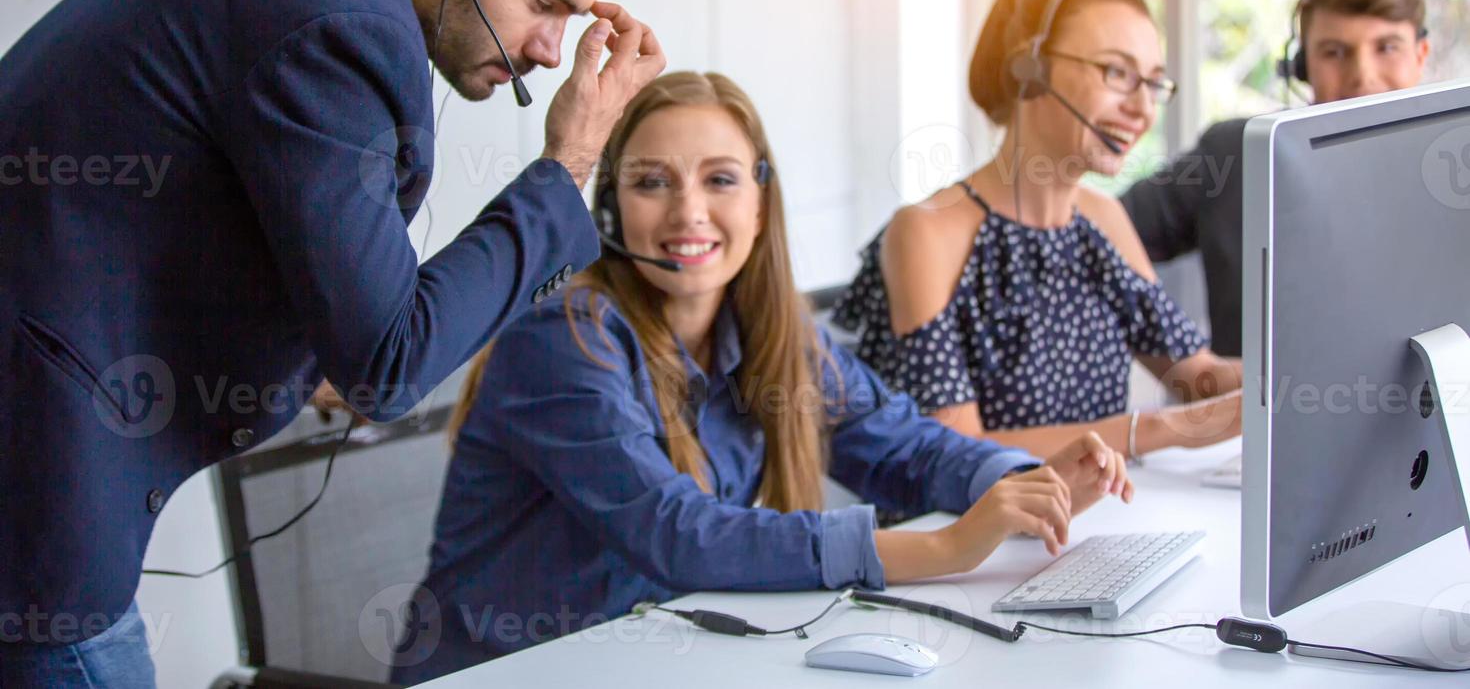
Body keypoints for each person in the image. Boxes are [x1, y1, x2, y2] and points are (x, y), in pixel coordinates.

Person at [0, 0, 666, 687]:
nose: (553, 50)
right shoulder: (337, 29)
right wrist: (568, 160)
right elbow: (384, 366)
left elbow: (193, 228)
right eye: (546, 2)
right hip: (35, 510)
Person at [390, 72, 1132, 682]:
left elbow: (903, 446)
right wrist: (945, 549)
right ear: (611, 209)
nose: (689, 212)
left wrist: (1029, 481)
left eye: (720, 180)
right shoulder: (561, 340)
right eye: (652, 183)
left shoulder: (774, 336)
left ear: (760, 199)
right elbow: (677, 534)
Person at [834, 0, 1242, 461]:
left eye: (1153, 84)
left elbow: (1198, 378)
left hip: (1097, 522)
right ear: (1030, 69)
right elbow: (957, 450)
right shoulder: (926, 231)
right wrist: (1164, 428)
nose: (1142, 108)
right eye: (1116, 72)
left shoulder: (1103, 220)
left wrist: (1298, 379)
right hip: (976, 535)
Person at [1121, 0, 1431, 355]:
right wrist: (1189, 364)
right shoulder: (1234, 157)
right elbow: (1097, 237)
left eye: (1387, 47)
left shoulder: (1452, 173)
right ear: (1302, 66)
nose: (1363, 75)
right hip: (1249, 417)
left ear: (1420, 56)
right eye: (1335, 52)